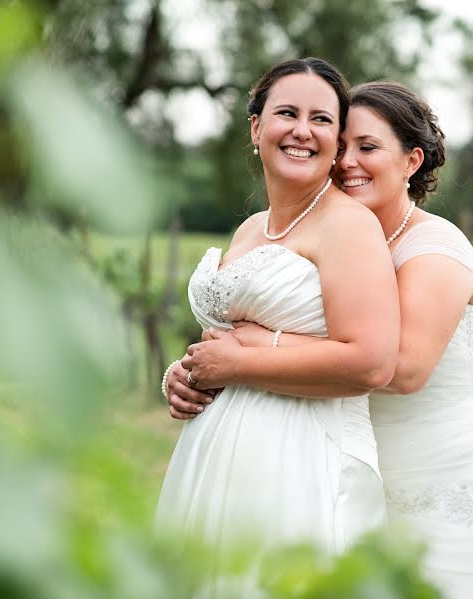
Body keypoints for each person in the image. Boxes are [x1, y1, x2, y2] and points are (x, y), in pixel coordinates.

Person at [169, 81, 473, 598]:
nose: (348, 163)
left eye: (368, 148)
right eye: (342, 147)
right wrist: (198, 364)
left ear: (411, 161)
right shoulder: (339, 236)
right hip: (363, 460)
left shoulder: (435, 247)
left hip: (450, 471)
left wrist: (248, 351)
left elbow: (401, 367)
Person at [155, 59, 399, 580]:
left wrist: (239, 364)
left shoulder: (348, 226)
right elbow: (224, 339)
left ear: (336, 140)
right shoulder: (248, 230)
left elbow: (372, 362)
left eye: (322, 119)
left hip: (302, 455)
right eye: (287, 112)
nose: (302, 131)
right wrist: (186, 372)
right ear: (256, 126)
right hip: (215, 453)